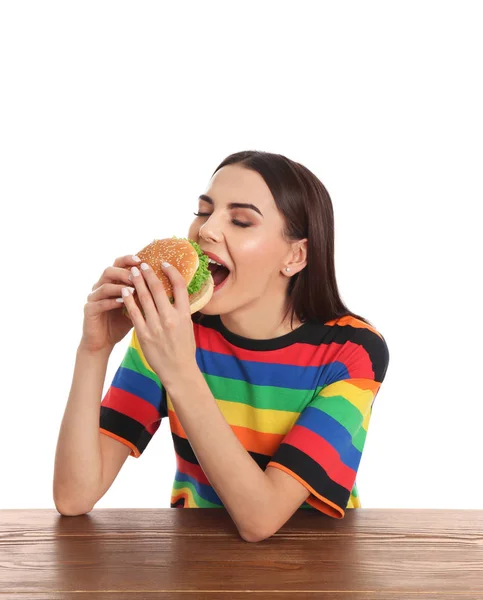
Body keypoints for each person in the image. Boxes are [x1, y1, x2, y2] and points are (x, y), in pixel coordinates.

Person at [53, 150, 390, 543]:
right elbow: (74, 496)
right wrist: (94, 350)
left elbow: (260, 520)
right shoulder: (171, 332)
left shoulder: (353, 351)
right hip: (195, 558)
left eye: (241, 220)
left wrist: (179, 370)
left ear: (295, 256)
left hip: (317, 558)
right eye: (203, 211)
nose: (207, 230)